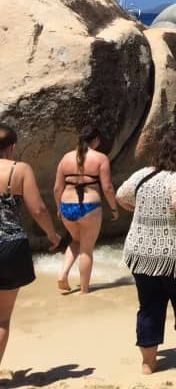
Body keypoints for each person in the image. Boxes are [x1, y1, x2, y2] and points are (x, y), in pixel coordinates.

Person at [116, 135, 176, 377]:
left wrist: (142, 209)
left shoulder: (142, 175)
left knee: (149, 307)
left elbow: (121, 197)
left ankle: (148, 365)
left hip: (142, 254)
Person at [0, 123, 61, 371]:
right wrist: (52, 235)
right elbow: (38, 209)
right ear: (12, 146)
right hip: (11, 245)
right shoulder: (20, 169)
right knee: (2, 318)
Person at [52, 127, 119, 293]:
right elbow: (108, 188)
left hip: (67, 205)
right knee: (86, 249)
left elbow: (56, 189)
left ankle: (63, 274)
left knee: (76, 240)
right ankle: (84, 290)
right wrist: (114, 209)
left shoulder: (65, 158)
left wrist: (59, 208)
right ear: (95, 140)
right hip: (90, 207)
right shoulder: (100, 158)